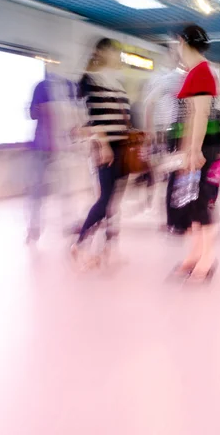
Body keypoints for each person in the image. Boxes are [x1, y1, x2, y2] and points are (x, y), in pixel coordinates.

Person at [71, 38, 130, 268]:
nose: (118, 56)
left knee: (113, 201)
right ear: (102, 52)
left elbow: (122, 115)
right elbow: (92, 119)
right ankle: (80, 244)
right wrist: (104, 144)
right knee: (105, 199)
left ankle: (109, 249)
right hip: (105, 149)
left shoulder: (117, 81)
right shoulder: (89, 80)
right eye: (115, 52)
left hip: (123, 147)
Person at [170, 24, 220, 282]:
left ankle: (208, 257)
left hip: (206, 148)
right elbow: (190, 115)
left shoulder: (201, 71)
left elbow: (200, 113)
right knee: (191, 203)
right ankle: (196, 253)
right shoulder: (195, 71)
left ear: (182, 41)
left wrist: (195, 150)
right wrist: (186, 150)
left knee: (202, 202)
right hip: (198, 147)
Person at [26, 65, 77, 243]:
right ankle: (34, 227)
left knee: (61, 188)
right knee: (40, 190)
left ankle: (63, 224)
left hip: (57, 147)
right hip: (44, 146)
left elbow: (33, 113)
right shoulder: (42, 87)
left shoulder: (65, 88)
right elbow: (33, 113)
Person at [144, 44, 186, 233]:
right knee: (173, 175)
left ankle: (176, 219)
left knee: (175, 175)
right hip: (169, 133)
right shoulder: (170, 79)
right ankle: (173, 220)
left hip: (176, 132)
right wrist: (151, 130)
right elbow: (149, 103)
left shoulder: (180, 77)